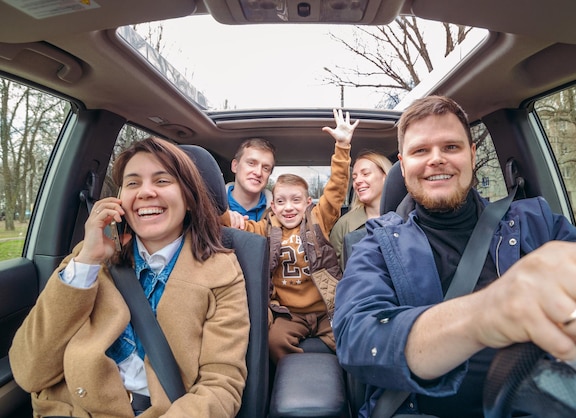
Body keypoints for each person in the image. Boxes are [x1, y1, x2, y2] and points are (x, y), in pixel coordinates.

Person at [332, 95, 576, 418]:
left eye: (451, 147)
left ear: (472, 156)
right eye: (420, 151)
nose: (436, 159)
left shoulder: (536, 220)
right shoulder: (374, 243)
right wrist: (485, 313)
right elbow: (356, 337)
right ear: (402, 166)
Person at [9, 137, 250, 417]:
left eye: (162, 181)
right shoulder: (89, 259)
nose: (145, 192)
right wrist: (87, 262)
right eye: (133, 183)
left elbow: (221, 385)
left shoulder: (222, 272)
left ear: (189, 199)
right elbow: (29, 372)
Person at [225, 108, 358, 364]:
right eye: (282, 201)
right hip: (288, 314)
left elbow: (336, 190)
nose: (289, 207)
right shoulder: (265, 227)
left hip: (325, 309)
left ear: (309, 203)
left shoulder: (318, 220)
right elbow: (238, 228)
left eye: (296, 200)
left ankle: (349, 390)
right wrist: (225, 216)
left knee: (351, 337)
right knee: (274, 342)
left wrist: (342, 146)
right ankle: (294, 377)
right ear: (272, 206)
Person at [330, 150, 392, 270]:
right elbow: (332, 272)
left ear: (385, 177)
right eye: (354, 177)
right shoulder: (344, 225)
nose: (357, 181)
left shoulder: (406, 217)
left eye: (365, 174)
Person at [226, 137, 276, 221]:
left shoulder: (279, 213)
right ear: (235, 166)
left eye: (265, 168)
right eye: (251, 163)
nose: (258, 173)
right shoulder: (211, 207)